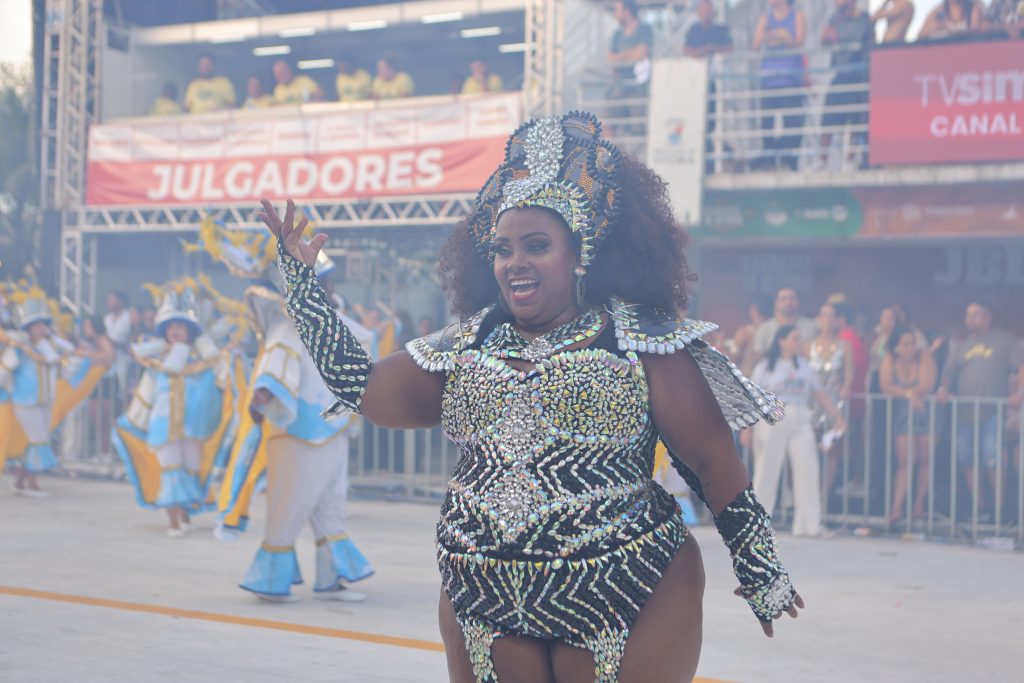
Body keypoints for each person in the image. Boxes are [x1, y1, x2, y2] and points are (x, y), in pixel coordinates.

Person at [258, 110, 802, 681]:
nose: (516, 262)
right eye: (502, 249)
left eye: (537, 245)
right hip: (486, 595)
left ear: (580, 254)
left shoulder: (641, 342)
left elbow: (713, 461)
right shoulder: (465, 346)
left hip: (625, 585)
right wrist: (302, 283)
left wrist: (759, 565)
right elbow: (359, 386)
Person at [201, 230, 373, 602]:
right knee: (288, 507)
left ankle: (332, 579)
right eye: (319, 282)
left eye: (328, 282)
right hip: (297, 432)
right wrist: (263, 393)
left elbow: (367, 345)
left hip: (333, 427)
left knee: (332, 506)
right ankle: (270, 580)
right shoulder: (286, 327)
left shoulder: (335, 323)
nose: (327, 289)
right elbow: (272, 367)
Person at [111, 281, 235, 536]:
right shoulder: (158, 361)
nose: (175, 331)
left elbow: (220, 386)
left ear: (190, 331)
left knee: (191, 469)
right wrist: (132, 420)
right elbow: (146, 393)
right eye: (171, 326)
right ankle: (174, 522)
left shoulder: (203, 360)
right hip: (163, 425)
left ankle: (185, 514)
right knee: (171, 471)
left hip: (194, 426)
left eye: (181, 326)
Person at [749, 325, 846, 537]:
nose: (798, 342)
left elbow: (819, 392)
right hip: (773, 417)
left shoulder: (804, 365)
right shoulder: (766, 366)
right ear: (781, 341)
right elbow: (753, 396)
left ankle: (810, 524)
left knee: (808, 468)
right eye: (794, 338)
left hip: (801, 416)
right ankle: (758, 525)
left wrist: (836, 415)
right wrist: (748, 426)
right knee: (767, 470)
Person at [937, 303, 1024, 519]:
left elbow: (1021, 367)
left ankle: (1000, 507)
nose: (970, 319)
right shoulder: (961, 344)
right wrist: (943, 389)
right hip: (964, 412)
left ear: (987, 317)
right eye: (968, 315)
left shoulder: (1005, 340)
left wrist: (1020, 393)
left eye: (975, 315)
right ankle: (980, 506)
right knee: (967, 457)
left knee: (991, 456)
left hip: (992, 411)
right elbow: (948, 374)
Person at [0, 286, 89, 496]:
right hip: (25, 402)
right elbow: (4, 371)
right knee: (38, 439)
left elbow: (67, 361)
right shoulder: (20, 349)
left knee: (36, 441)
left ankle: (20, 483)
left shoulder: (51, 346)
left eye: (43, 324)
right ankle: (32, 484)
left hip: (46, 400)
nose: (40, 328)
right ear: (28, 328)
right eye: (36, 325)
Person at [879, 327, 936, 526]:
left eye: (912, 343)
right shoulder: (890, 360)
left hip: (927, 412)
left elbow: (927, 383)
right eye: (905, 344)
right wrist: (909, 394)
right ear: (896, 347)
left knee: (925, 459)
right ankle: (897, 507)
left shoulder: (924, 356)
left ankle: (919, 504)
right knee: (905, 460)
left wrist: (913, 393)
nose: (910, 348)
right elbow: (885, 385)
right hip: (904, 414)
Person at [817, 0, 874, 171]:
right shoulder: (834, 19)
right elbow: (824, 40)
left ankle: (850, 159)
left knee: (855, 120)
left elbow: (872, 45)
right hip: (840, 75)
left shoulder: (865, 19)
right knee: (828, 118)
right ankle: (821, 160)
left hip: (858, 75)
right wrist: (827, 37)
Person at [752, 0, 807, 170]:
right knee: (766, 123)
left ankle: (788, 159)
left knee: (792, 123)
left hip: (790, 78)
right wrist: (777, 35)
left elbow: (799, 42)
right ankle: (770, 158)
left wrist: (780, 36)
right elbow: (755, 45)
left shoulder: (797, 16)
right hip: (769, 79)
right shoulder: (765, 18)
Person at [684, 0, 735, 174]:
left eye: (708, 8)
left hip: (716, 83)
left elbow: (730, 49)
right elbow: (686, 50)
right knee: (699, 122)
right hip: (695, 84)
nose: (705, 11)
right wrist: (699, 52)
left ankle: (713, 161)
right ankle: (704, 161)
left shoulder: (721, 30)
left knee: (713, 122)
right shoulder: (694, 30)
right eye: (702, 8)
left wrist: (714, 48)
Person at [809, 303, 853, 491]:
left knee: (832, 446)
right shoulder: (808, 345)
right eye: (823, 315)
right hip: (813, 400)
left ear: (836, 321)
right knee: (810, 444)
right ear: (819, 320)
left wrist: (846, 387)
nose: (827, 319)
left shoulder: (845, 346)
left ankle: (824, 492)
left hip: (835, 399)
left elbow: (849, 373)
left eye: (831, 315)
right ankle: (811, 489)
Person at [607, 0, 654, 136]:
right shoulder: (617, 34)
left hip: (640, 89)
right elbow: (610, 59)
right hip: (619, 88)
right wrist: (631, 54)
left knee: (640, 128)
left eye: (617, 10)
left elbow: (642, 53)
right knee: (608, 126)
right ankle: (617, 156)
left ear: (627, 11)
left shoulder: (644, 29)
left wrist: (620, 57)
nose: (615, 15)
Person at [747, 287, 817, 373]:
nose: (788, 302)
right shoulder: (764, 329)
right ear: (776, 303)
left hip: (805, 377)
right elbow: (759, 357)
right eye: (783, 299)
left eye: (792, 298)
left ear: (798, 302)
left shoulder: (811, 326)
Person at [919, 0, 984, 40]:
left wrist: (952, 33)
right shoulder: (938, 11)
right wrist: (934, 27)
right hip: (946, 54)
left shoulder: (974, 7)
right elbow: (920, 36)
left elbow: (976, 32)